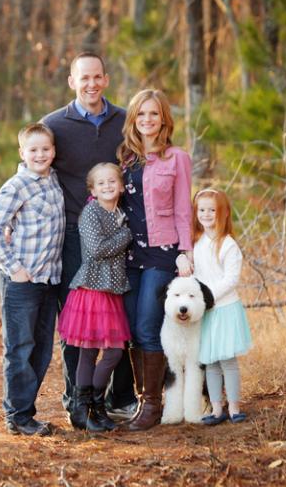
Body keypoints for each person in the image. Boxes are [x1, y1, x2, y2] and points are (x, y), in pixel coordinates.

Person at [42, 52, 137, 420]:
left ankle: (117, 398)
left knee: (120, 319)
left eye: (97, 77)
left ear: (106, 79)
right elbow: (35, 165)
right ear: (72, 82)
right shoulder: (54, 125)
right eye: (84, 78)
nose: (91, 84)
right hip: (74, 239)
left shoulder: (124, 121)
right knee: (77, 324)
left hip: (120, 232)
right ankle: (76, 401)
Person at [0, 123, 65, 437]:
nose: (40, 155)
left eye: (45, 149)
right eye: (33, 150)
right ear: (22, 153)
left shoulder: (53, 180)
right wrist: (14, 267)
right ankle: (16, 416)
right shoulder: (16, 186)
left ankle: (26, 414)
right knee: (19, 348)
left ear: (53, 152)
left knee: (41, 349)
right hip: (22, 281)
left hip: (49, 279)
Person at [119, 89, 193, 431]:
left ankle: (152, 406)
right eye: (141, 114)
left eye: (154, 114)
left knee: (148, 326)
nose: (147, 120)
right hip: (128, 254)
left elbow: (182, 209)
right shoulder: (126, 159)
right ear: (133, 119)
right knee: (133, 329)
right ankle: (140, 401)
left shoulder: (176, 157)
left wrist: (185, 253)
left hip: (161, 254)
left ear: (164, 118)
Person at [57, 163, 132, 432]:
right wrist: (125, 235)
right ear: (93, 190)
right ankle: (81, 410)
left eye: (112, 181)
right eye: (101, 183)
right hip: (91, 290)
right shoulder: (90, 212)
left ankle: (97, 406)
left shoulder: (122, 212)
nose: (107, 186)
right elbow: (98, 249)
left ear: (121, 186)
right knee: (88, 353)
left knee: (113, 352)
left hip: (112, 292)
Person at [182, 188, 253, 425]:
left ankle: (234, 406)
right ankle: (215, 408)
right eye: (201, 209)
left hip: (224, 309)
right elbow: (192, 268)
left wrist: (208, 296)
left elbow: (231, 279)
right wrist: (181, 259)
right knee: (209, 361)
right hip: (206, 311)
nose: (206, 214)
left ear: (223, 213)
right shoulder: (198, 242)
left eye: (212, 210)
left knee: (227, 360)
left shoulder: (228, 244)